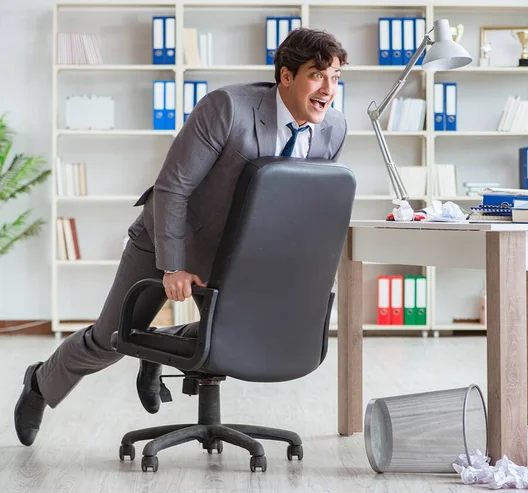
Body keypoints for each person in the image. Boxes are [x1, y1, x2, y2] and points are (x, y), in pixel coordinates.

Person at [14, 27, 348, 446]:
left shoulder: (333, 129)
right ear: (285, 76)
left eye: (335, 78)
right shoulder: (227, 108)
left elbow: (302, 199)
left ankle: (156, 354)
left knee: (239, 333)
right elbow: (173, 186)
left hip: (241, 250)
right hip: (171, 235)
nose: (328, 89)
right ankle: (41, 384)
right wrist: (174, 264)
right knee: (113, 338)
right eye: (318, 75)